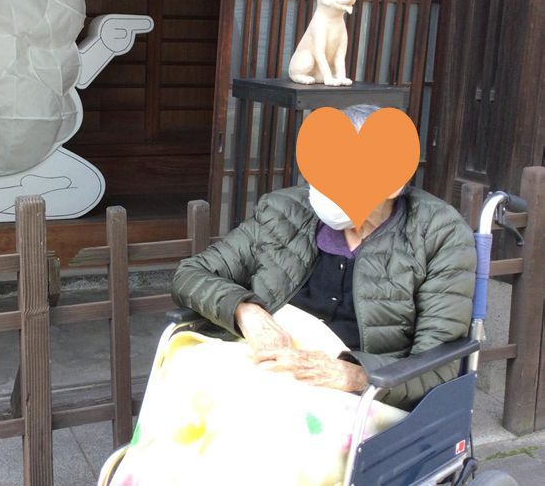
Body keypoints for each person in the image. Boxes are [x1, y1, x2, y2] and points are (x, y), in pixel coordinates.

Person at [172, 104, 476, 410]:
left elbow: (436, 366)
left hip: (360, 399)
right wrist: (245, 310)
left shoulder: (438, 232)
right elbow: (191, 274)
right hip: (269, 371)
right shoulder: (284, 212)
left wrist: (354, 376)